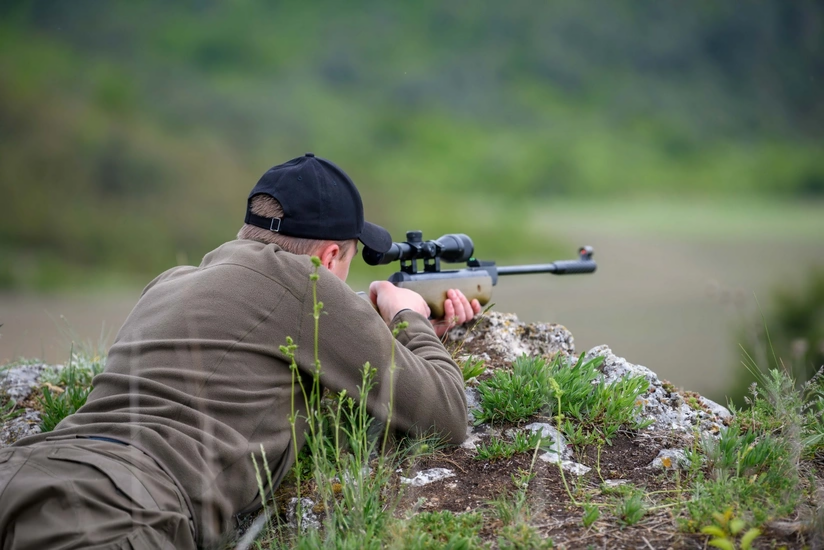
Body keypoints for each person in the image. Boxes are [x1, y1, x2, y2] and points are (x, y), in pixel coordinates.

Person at [0, 153, 480, 549]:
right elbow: (448, 415)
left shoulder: (172, 282)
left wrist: (382, 340)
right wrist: (409, 317)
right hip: (116, 509)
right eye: (349, 262)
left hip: (24, 473)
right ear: (330, 256)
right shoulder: (307, 283)